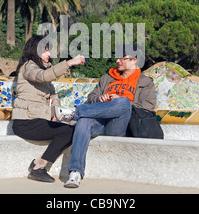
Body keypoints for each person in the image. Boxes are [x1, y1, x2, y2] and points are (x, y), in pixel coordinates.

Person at [57, 46, 157, 188]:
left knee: (122, 101)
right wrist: (100, 98)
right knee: (84, 121)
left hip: (119, 125)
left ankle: (74, 113)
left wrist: (120, 100)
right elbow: (91, 97)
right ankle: (75, 173)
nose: (117, 61)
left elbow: (148, 106)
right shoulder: (107, 78)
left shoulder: (145, 82)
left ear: (134, 60)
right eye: (117, 58)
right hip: (99, 122)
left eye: (122, 58)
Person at [11, 35, 85, 183]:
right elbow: (43, 76)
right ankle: (39, 168)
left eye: (49, 51)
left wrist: (55, 114)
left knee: (72, 129)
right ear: (35, 50)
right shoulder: (28, 67)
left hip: (37, 120)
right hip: (24, 121)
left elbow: (53, 96)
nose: (48, 55)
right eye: (45, 51)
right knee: (68, 131)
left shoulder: (43, 72)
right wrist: (69, 62)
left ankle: (38, 163)